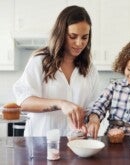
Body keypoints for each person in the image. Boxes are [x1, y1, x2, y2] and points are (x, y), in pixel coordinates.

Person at [13, 5, 100, 137]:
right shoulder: (40, 61)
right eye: (73, 36)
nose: (79, 43)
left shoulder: (90, 69)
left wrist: (94, 119)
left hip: (76, 144)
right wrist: (61, 104)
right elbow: (24, 102)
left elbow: (94, 106)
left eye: (84, 37)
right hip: (40, 144)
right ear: (61, 34)